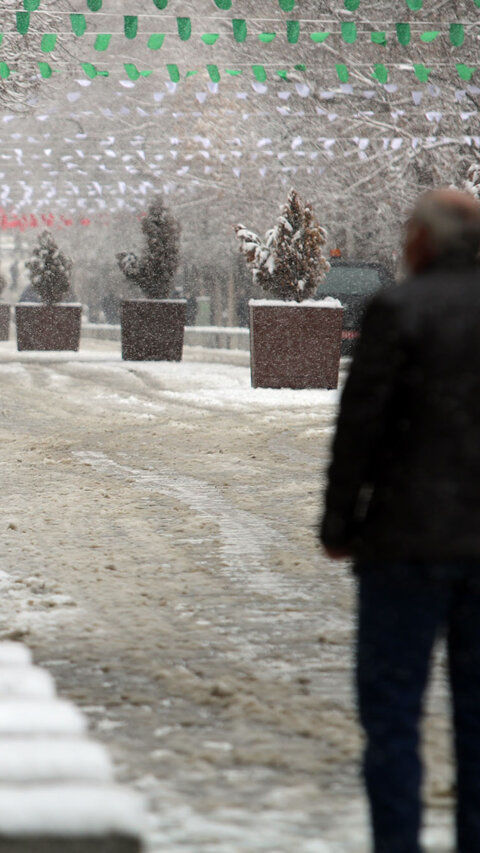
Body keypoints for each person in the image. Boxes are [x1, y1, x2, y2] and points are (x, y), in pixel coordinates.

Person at [320, 188, 480, 853]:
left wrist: (338, 522)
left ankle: (398, 842)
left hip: (402, 545)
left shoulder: (398, 309)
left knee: (391, 716)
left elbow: (360, 426)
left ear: (424, 241)